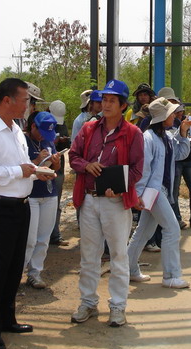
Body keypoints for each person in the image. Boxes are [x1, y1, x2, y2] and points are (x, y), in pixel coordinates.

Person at [0, 78, 53, 349]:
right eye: (25, 100)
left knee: (14, 267)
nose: (28, 105)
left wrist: (36, 170)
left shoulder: (15, 129)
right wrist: (20, 171)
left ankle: (7, 319)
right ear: (7, 100)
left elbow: (19, 165)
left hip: (20, 206)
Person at [68, 79, 144, 328]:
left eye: (112, 100)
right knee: (89, 254)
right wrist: (86, 165)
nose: (106, 104)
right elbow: (73, 155)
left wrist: (119, 188)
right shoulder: (89, 128)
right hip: (89, 199)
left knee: (119, 254)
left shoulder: (133, 133)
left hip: (116, 202)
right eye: (104, 99)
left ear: (123, 105)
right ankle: (88, 302)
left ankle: (118, 306)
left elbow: (137, 169)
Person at [127, 98, 191, 289]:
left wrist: (183, 133)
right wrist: (138, 194)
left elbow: (180, 154)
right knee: (172, 229)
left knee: (144, 231)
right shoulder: (148, 138)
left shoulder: (166, 136)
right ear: (163, 117)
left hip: (157, 191)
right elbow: (143, 168)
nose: (175, 116)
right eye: (172, 113)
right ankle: (171, 276)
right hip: (152, 191)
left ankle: (128, 269)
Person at [24, 111, 61, 289]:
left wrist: (56, 161)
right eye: (42, 132)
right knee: (29, 239)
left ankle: (35, 272)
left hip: (49, 192)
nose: (43, 136)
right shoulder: (23, 141)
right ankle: (17, 271)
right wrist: (37, 159)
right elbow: (21, 167)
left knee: (43, 237)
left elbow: (56, 168)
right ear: (33, 126)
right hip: (31, 194)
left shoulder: (48, 141)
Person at [172, 103, 191, 228]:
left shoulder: (188, 120)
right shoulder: (169, 122)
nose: (180, 114)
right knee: (174, 190)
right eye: (177, 112)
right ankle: (177, 219)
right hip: (176, 160)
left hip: (188, 158)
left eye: (181, 111)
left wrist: (189, 137)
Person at [48, 100, 70, 246]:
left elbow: (67, 145)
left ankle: (55, 235)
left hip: (59, 169)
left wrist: (63, 141)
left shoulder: (62, 125)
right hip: (45, 169)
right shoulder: (43, 122)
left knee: (56, 203)